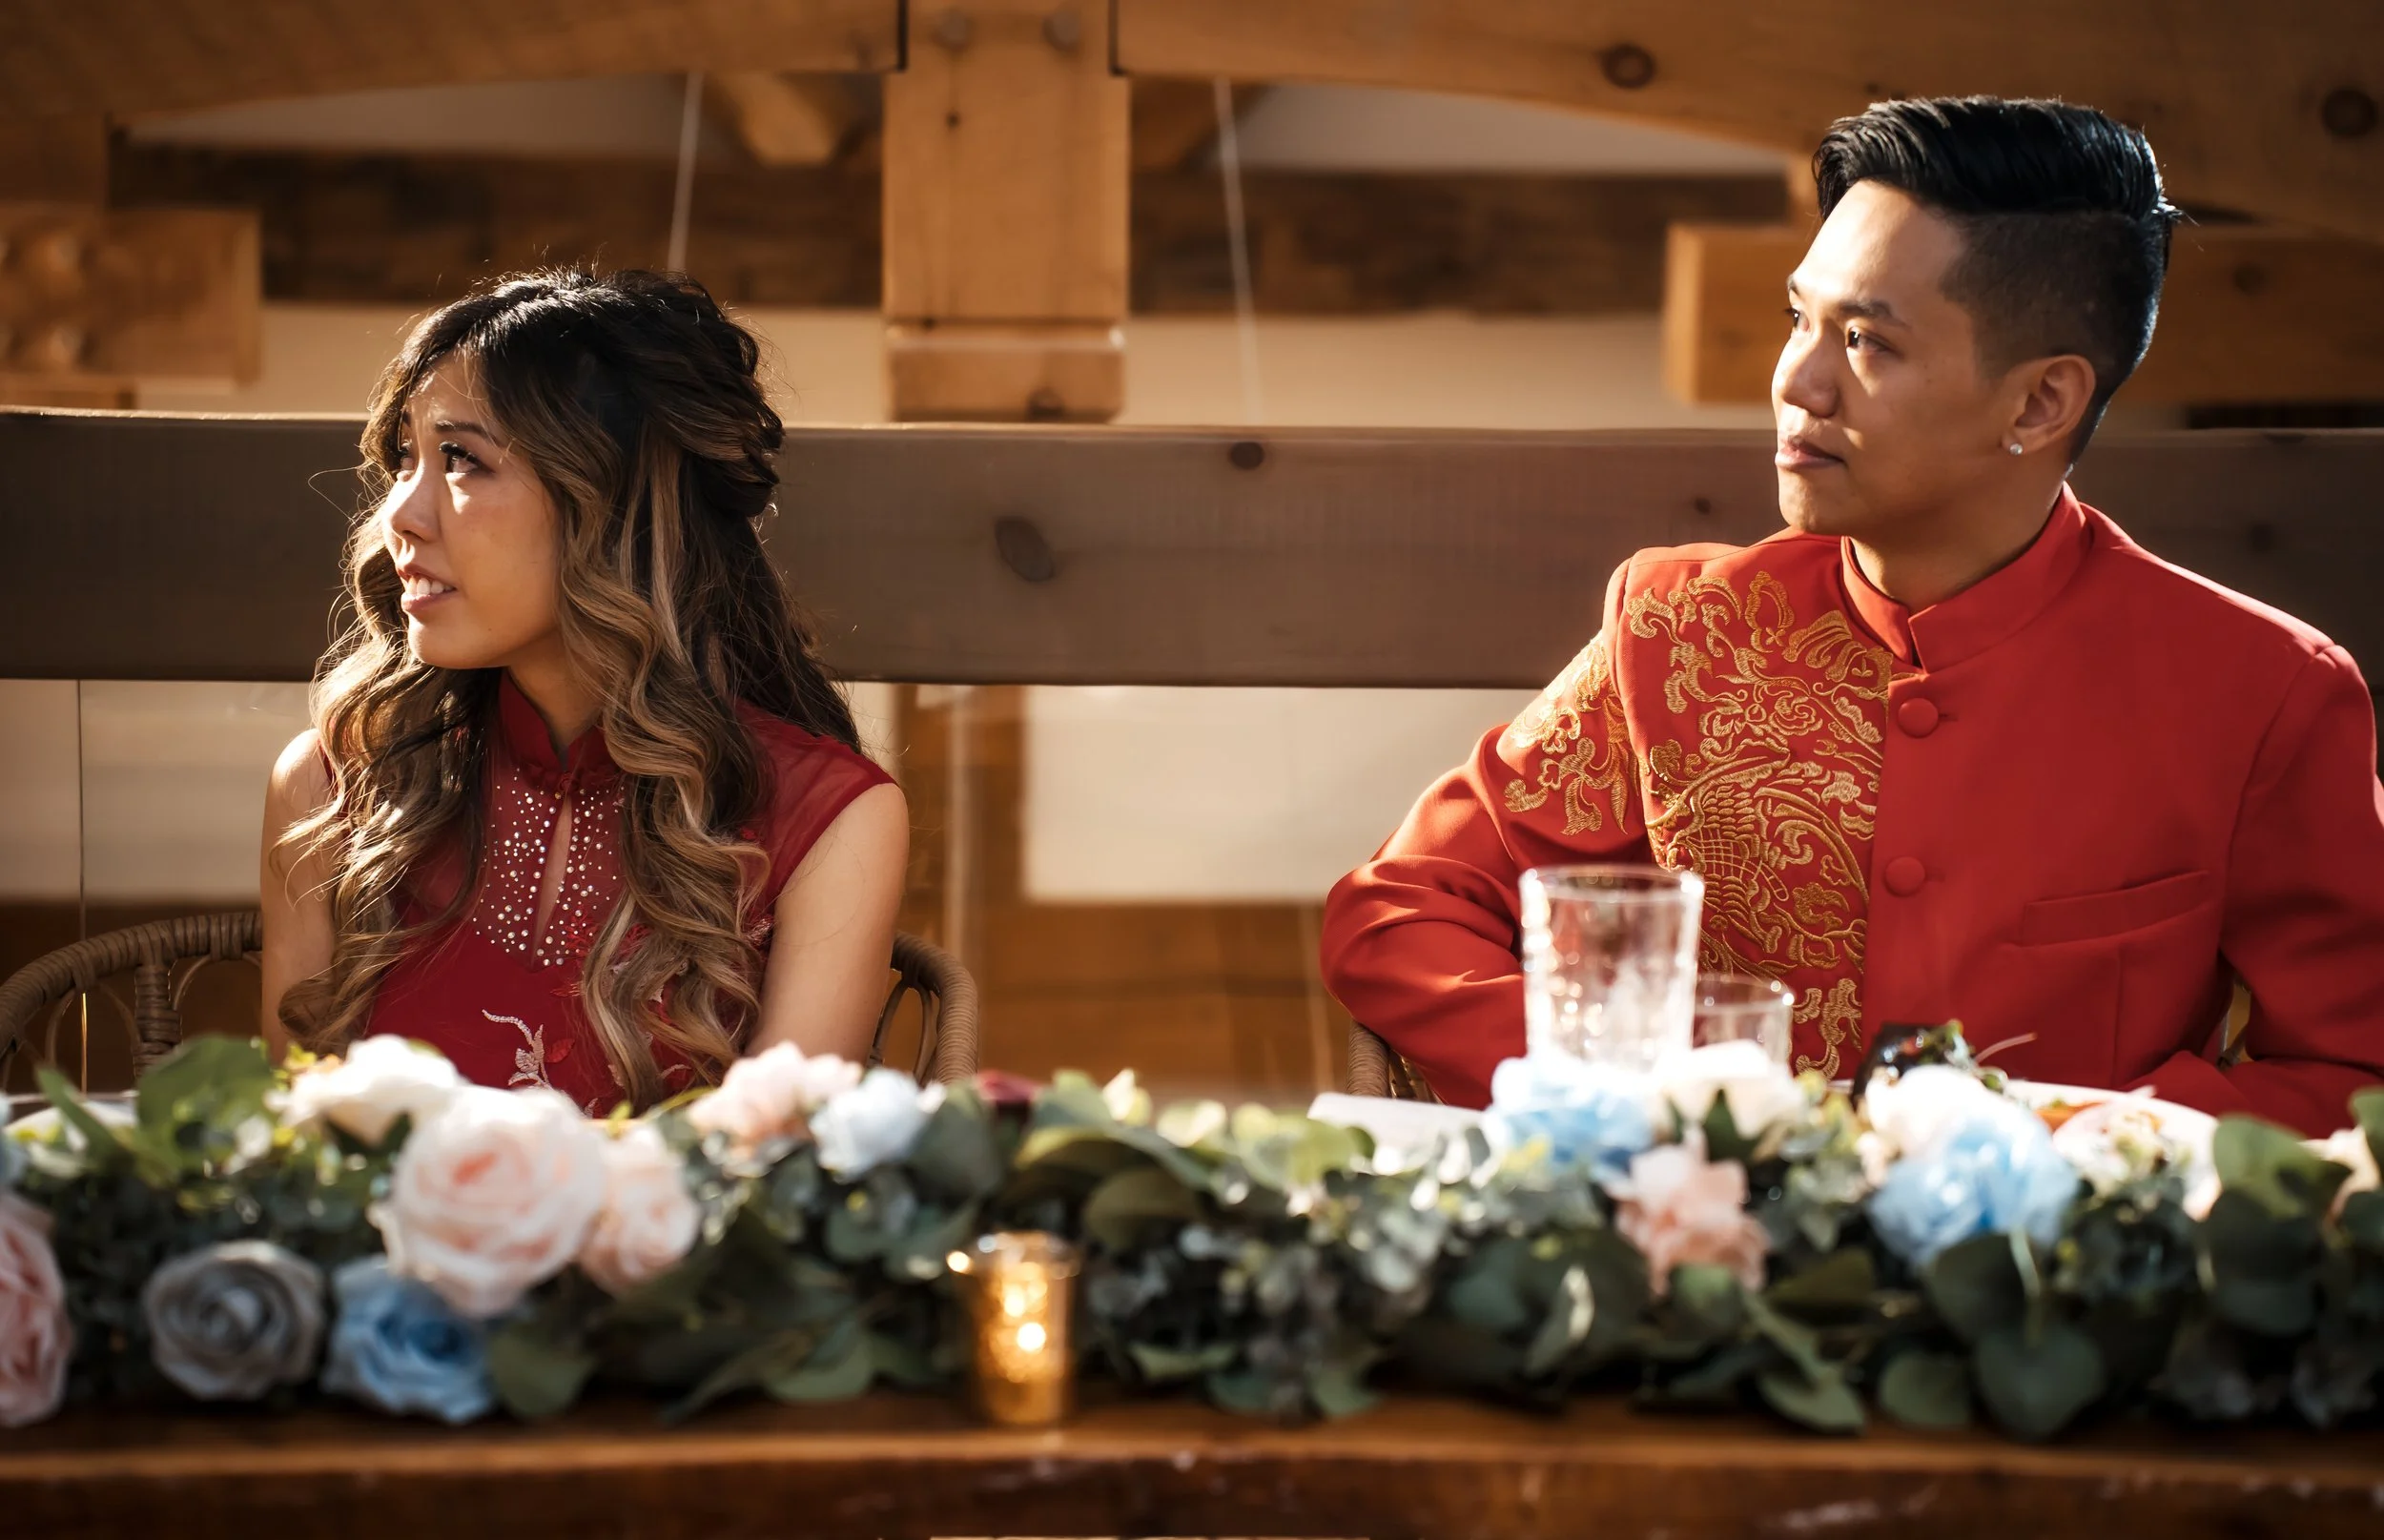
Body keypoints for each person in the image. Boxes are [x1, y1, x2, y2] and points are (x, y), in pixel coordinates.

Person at [1321, 97, 2384, 1136]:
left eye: (1867, 342)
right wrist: (1622, 1090)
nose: (1797, 380)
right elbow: (1400, 909)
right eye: (1800, 319)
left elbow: (2352, 1069)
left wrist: (2091, 1135)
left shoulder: (2259, 694)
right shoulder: (1680, 631)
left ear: (2038, 404)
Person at [259, 270, 908, 1113]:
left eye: (460, 458)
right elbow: (286, 1163)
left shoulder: (827, 821)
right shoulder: (334, 787)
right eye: (404, 459)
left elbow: (772, 1193)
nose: (401, 515)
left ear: (615, 502)